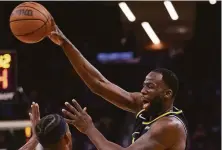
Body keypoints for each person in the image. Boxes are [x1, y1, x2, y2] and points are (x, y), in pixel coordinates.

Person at [48, 18, 188, 150]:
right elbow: (99, 83)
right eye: (144, 85)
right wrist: (65, 43)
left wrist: (89, 128)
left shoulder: (169, 126)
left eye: (150, 86)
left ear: (167, 93)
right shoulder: (144, 105)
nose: (143, 91)